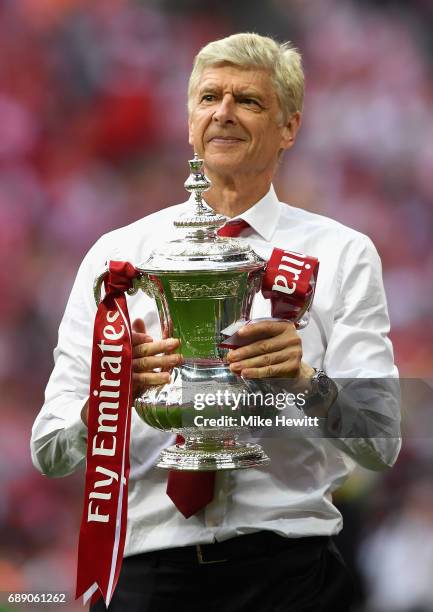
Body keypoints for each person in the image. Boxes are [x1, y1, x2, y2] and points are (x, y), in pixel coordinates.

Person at [31, 33, 400, 611]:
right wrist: (109, 396)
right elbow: (51, 449)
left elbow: (380, 442)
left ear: (289, 128)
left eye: (248, 101)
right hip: (147, 571)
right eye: (209, 98)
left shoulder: (344, 254)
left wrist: (306, 382)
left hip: (288, 573)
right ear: (189, 123)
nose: (223, 112)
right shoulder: (116, 256)